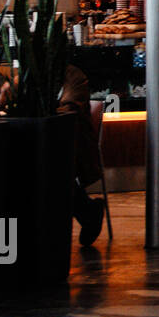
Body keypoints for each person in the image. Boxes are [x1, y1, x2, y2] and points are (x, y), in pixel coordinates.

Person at [56, 64, 107, 248]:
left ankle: (88, 213)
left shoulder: (73, 76)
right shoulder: (29, 75)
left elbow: (70, 109)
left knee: (54, 169)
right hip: (57, 148)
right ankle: (88, 211)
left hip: (76, 146)